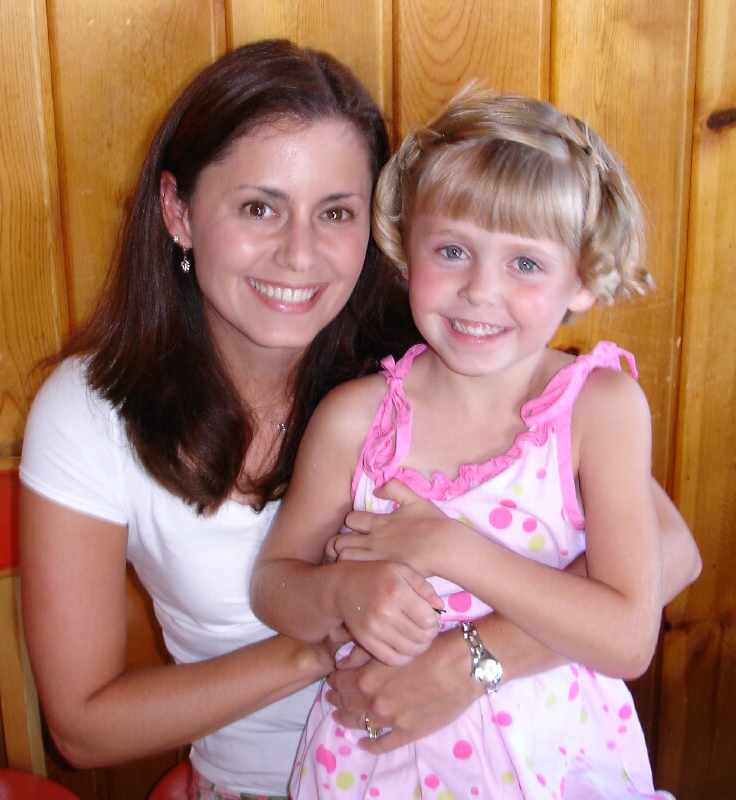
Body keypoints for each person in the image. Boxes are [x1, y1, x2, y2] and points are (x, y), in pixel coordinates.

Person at [17, 39, 699, 800]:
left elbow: (670, 551)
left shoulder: (448, 351)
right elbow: (84, 728)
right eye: (259, 208)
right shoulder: (95, 409)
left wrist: (468, 662)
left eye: (336, 212)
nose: (299, 254)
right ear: (178, 211)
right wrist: (334, 644)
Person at [251, 85, 691, 799]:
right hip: (373, 767)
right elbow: (274, 586)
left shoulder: (600, 412)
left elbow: (627, 636)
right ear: (405, 252)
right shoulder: (354, 420)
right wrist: (339, 591)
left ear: (582, 279)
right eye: (452, 250)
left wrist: (451, 549)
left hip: (552, 768)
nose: (480, 291)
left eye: (526, 263)